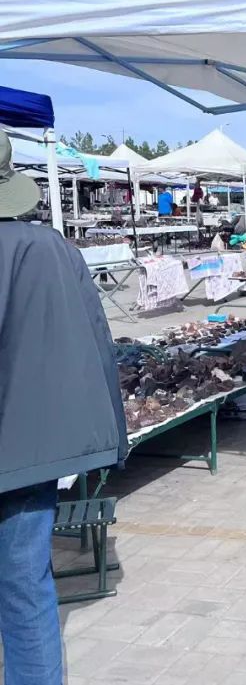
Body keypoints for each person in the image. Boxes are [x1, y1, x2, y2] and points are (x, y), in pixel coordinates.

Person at [0, 132, 126, 684]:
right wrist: (113, 435)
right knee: (25, 588)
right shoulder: (53, 249)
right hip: (31, 450)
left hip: (27, 449)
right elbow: (97, 344)